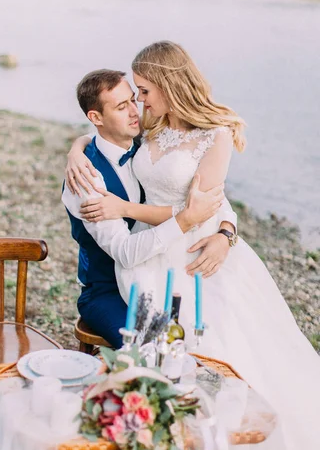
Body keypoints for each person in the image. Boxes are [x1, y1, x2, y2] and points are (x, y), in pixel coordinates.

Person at [67, 42, 320, 450]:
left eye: (140, 93)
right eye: (130, 98)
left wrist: (225, 233)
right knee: (166, 352)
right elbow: (129, 239)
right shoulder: (118, 152)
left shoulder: (190, 133)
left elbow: (210, 206)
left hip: (190, 256)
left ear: (165, 86)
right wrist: (77, 147)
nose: (137, 105)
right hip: (132, 269)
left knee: (222, 356)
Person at [62, 68, 237, 348]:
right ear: (95, 118)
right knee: (156, 350)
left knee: (220, 335)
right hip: (108, 291)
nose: (135, 111)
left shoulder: (146, 142)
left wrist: (226, 232)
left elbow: (207, 194)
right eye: (122, 106)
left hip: (164, 270)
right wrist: (185, 220)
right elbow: (125, 253)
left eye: (134, 99)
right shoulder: (87, 179)